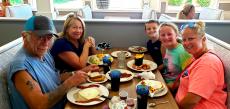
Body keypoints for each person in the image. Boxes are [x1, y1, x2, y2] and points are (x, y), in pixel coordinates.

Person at [7, 15, 99, 109]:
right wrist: (69, 83)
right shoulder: (20, 67)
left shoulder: (44, 54)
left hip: (66, 102)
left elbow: (55, 78)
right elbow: (39, 105)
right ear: (24, 36)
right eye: (40, 37)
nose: (46, 43)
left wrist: (77, 73)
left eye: (49, 37)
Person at [176, 21, 227, 109]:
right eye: (184, 39)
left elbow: (191, 101)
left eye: (191, 39)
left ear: (203, 39)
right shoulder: (195, 57)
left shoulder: (208, 63)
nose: (186, 43)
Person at [158, 22, 193, 90]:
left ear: (176, 35)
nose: (166, 37)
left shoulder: (183, 52)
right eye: (163, 35)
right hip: (163, 80)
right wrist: (155, 69)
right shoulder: (165, 47)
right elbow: (167, 64)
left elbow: (187, 77)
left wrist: (171, 86)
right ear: (159, 37)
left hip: (173, 88)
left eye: (169, 34)